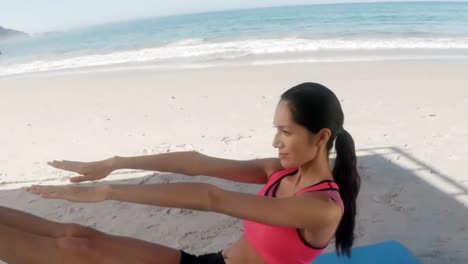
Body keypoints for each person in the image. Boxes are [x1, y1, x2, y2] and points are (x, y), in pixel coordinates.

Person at [0, 82, 360, 264]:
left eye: (286, 132)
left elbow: (211, 197)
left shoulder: (322, 207)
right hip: (212, 263)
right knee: (78, 236)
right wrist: (116, 162)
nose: (275, 141)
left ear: (322, 137)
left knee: (75, 254)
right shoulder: (279, 173)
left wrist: (110, 192)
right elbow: (197, 162)